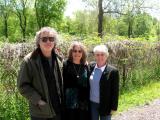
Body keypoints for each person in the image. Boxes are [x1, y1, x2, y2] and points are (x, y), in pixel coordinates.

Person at [17, 27, 64, 120]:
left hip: (59, 109)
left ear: (54, 42)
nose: (48, 42)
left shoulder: (59, 58)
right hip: (41, 112)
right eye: (44, 39)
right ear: (38, 42)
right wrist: (38, 100)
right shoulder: (29, 61)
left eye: (51, 39)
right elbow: (22, 85)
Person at [89, 45, 119, 120]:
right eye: (97, 55)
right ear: (94, 56)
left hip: (106, 105)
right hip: (92, 104)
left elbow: (115, 91)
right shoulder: (90, 67)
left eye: (102, 54)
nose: (100, 57)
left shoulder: (113, 71)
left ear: (106, 56)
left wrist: (114, 107)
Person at [63, 41, 90, 120]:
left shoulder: (86, 66)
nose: (77, 53)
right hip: (69, 102)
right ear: (71, 52)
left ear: (83, 53)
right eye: (75, 51)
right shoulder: (65, 65)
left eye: (79, 51)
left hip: (83, 103)